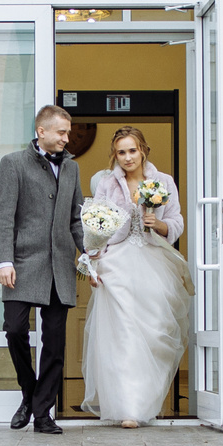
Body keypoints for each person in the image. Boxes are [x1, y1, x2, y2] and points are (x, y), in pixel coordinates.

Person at [78, 125, 190, 427]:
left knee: (154, 334)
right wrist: (91, 262)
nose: (127, 157)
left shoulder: (163, 181)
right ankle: (128, 408)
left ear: (143, 150)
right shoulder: (106, 183)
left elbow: (177, 221)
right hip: (117, 263)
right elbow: (96, 226)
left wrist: (160, 225)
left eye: (132, 150)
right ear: (115, 155)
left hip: (153, 262)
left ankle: (144, 404)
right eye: (121, 152)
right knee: (124, 336)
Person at [0, 102, 90, 434]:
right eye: (61, 132)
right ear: (42, 131)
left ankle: (43, 414)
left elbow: (76, 218)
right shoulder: (13, 163)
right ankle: (29, 392)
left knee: (55, 343)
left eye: (68, 132)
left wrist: (89, 255)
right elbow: (3, 217)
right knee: (15, 329)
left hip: (59, 265)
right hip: (21, 263)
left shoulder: (73, 169)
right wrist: (4, 260)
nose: (66, 138)